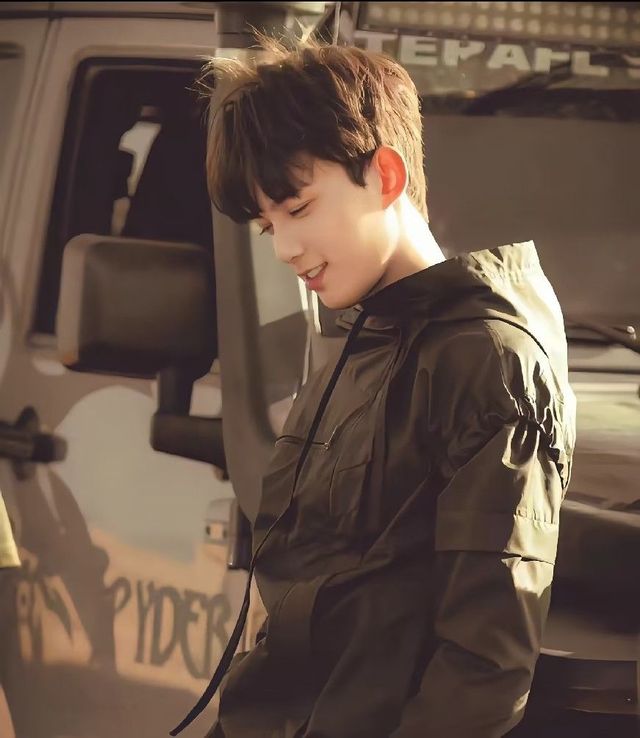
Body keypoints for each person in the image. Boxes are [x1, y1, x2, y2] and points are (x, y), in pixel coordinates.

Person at [172, 34, 576, 738]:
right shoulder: (367, 335)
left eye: (299, 208)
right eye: (267, 226)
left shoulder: (489, 360)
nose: (285, 248)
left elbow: (483, 671)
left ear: (385, 175)